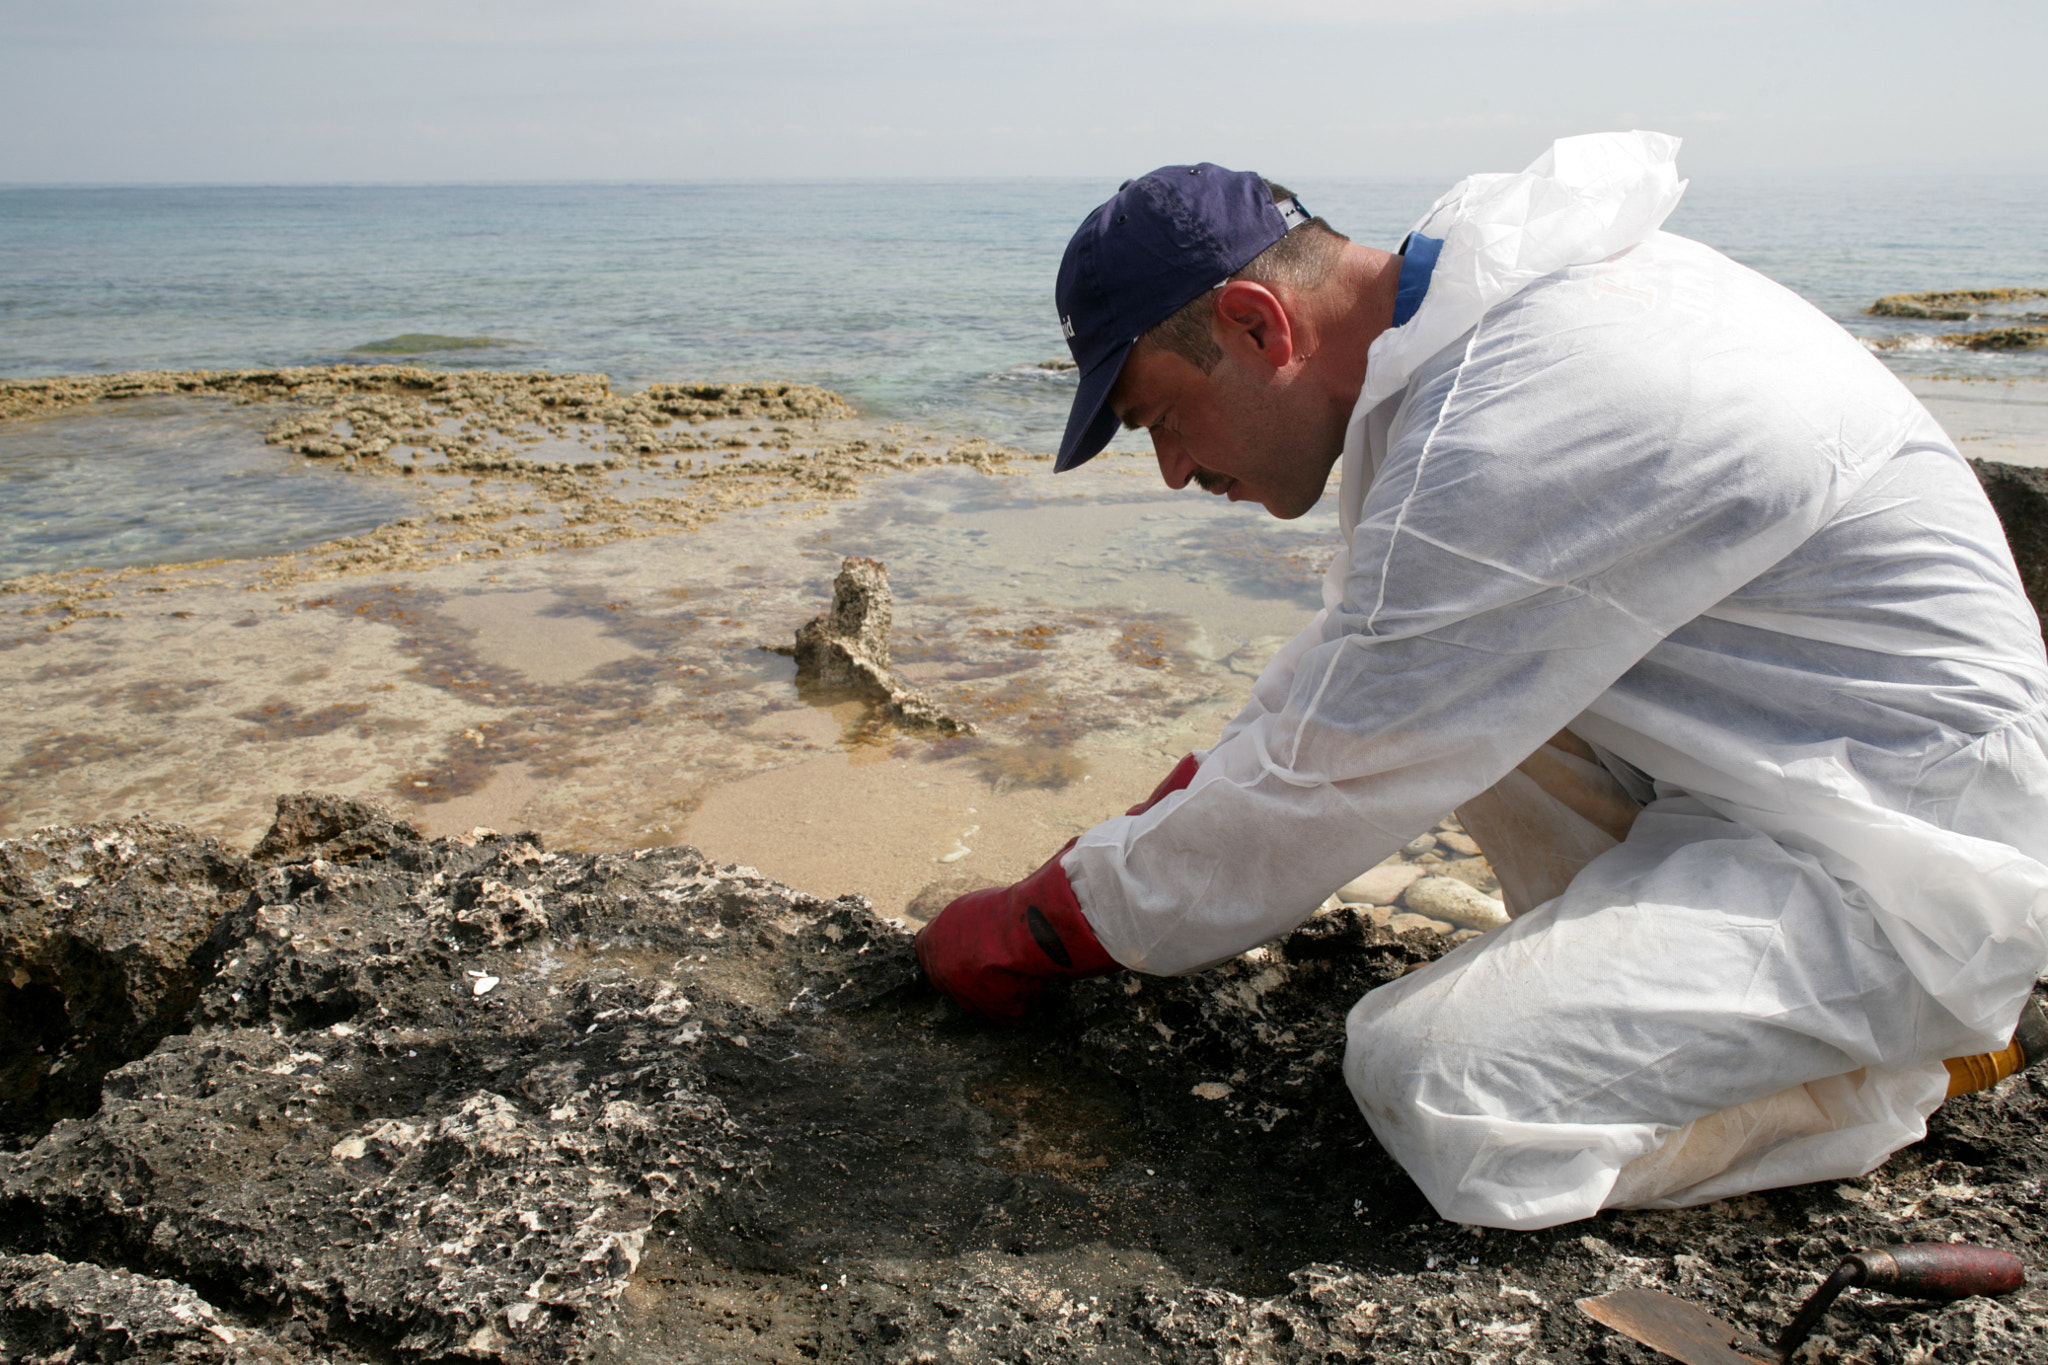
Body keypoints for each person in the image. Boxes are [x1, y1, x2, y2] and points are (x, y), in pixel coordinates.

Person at [915, 132, 2048, 1230]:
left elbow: (1321, 778)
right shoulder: (1478, 325)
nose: (1170, 471)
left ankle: (1901, 1064)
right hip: (1779, 763)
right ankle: (1653, 1006)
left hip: (1901, 865)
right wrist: (1100, 860)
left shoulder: (1518, 417)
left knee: (1433, 1083)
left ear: (1257, 326)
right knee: (1444, 712)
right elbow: (1341, 685)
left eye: (1160, 417)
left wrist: (1039, 927)